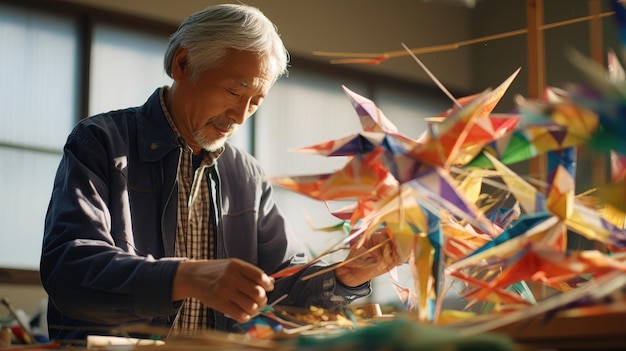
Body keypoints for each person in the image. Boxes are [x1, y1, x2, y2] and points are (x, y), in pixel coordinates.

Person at [40, 3, 402, 342]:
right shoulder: (103, 141)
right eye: (234, 91)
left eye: (256, 101)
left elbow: (280, 292)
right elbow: (69, 271)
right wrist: (185, 277)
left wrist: (348, 274)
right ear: (182, 64)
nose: (241, 116)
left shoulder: (245, 174)